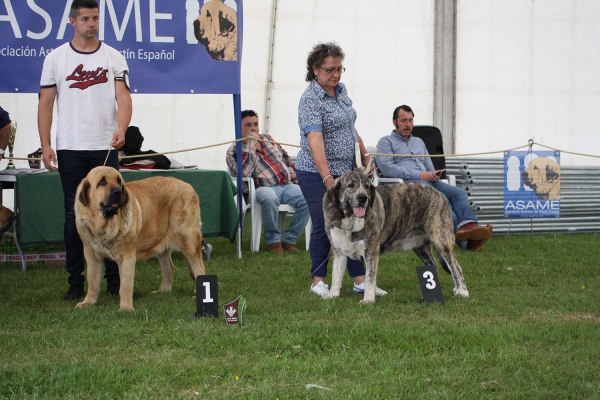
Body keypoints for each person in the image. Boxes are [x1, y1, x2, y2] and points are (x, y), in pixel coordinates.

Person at [38, 0, 132, 300]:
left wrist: (123, 128)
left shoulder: (113, 57)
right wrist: (45, 144)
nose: (92, 24)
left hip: (105, 147)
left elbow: (124, 97)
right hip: (71, 146)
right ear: (72, 21)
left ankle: (116, 282)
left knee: (115, 210)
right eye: (86, 19)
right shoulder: (55, 58)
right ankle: (75, 283)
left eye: (95, 18)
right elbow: (46, 104)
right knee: (74, 216)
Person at [295, 42, 386, 297]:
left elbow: (349, 126)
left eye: (339, 69)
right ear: (315, 69)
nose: (335, 75)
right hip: (316, 172)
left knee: (354, 223)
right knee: (329, 224)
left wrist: (365, 153)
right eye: (329, 70)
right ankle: (318, 281)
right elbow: (315, 142)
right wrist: (327, 178)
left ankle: (360, 279)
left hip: (346, 172)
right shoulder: (310, 99)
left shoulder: (341, 91)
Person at [376, 105, 493, 251]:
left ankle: (469, 226)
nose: (408, 125)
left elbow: (428, 163)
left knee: (459, 193)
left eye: (411, 121)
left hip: (428, 180)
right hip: (410, 185)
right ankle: (464, 240)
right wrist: (419, 175)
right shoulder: (385, 142)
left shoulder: (418, 141)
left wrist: (432, 173)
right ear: (394, 122)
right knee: (442, 198)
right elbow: (388, 169)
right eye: (404, 121)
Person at [226, 110, 309, 253]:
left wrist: (290, 174)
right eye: (248, 125)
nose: (253, 128)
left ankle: (290, 240)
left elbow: (285, 157)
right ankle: (273, 241)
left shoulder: (267, 139)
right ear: (238, 127)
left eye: (256, 124)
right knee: (270, 198)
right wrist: (251, 146)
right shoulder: (234, 150)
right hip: (260, 189)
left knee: (309, 198)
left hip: (285, 185)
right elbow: (244, 172)